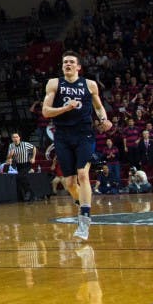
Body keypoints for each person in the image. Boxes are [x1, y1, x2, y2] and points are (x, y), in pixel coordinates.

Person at [41, 51, 110, 241]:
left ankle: (84, 219)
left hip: (84, 134)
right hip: (62, 135)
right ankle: (83, 204)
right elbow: (46, 112)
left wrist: (104, 119)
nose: (68, 64)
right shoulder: (54, 83)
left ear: (79, 67)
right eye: (65, 62)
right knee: (69, 183)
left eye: (72, 62)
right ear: (62, 66)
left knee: (82, 174)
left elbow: (98, 107)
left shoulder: (90, 84)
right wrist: (66, 108)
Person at [6, 132, 38, 202]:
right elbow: (8, 157)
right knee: (21, 179)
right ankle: (33, 195)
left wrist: (33, 158)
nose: (15, 138)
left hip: (26, 164)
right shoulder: (11, 146)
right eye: (14, 137)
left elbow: (34, 148)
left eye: (16, 137)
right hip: (19, 165)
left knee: (20, 177)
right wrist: (10, 155)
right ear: (12, 139)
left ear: (19, 138)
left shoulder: (25, 144)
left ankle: (27, 192)